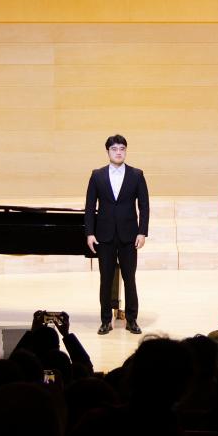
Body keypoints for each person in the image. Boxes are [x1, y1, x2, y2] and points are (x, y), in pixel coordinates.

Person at [84, 134, 149, 335]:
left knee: (130, 279)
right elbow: (89, 207)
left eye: (122, 148)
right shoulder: (97, 175)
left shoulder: (136, 175)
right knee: (106, 280)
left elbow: (144, 206)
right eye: (114, 149)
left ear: (125, 151)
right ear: (108, 152)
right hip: (104, 236)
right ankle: (106, 321)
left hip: (129, 236)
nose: (118, 152)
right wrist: (89, 233)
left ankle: (132, 319)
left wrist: (142, 232)